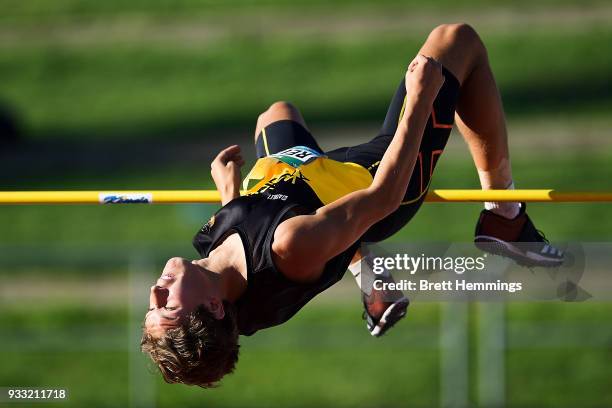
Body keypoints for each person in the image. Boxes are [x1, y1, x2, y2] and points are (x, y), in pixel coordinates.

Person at [141, 23, 563, 388]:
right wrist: (421, 98)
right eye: (168, 306)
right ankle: (504, 216)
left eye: (151, 306)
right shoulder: (291, 245)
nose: (155, 292)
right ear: (214, 306)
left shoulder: (214, 262)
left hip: (301, 178)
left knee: (276, 115)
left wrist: (230, 195)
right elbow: (383, 197)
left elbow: (240, 256)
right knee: (457, 40)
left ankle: (372, 278)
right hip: (373, 176)